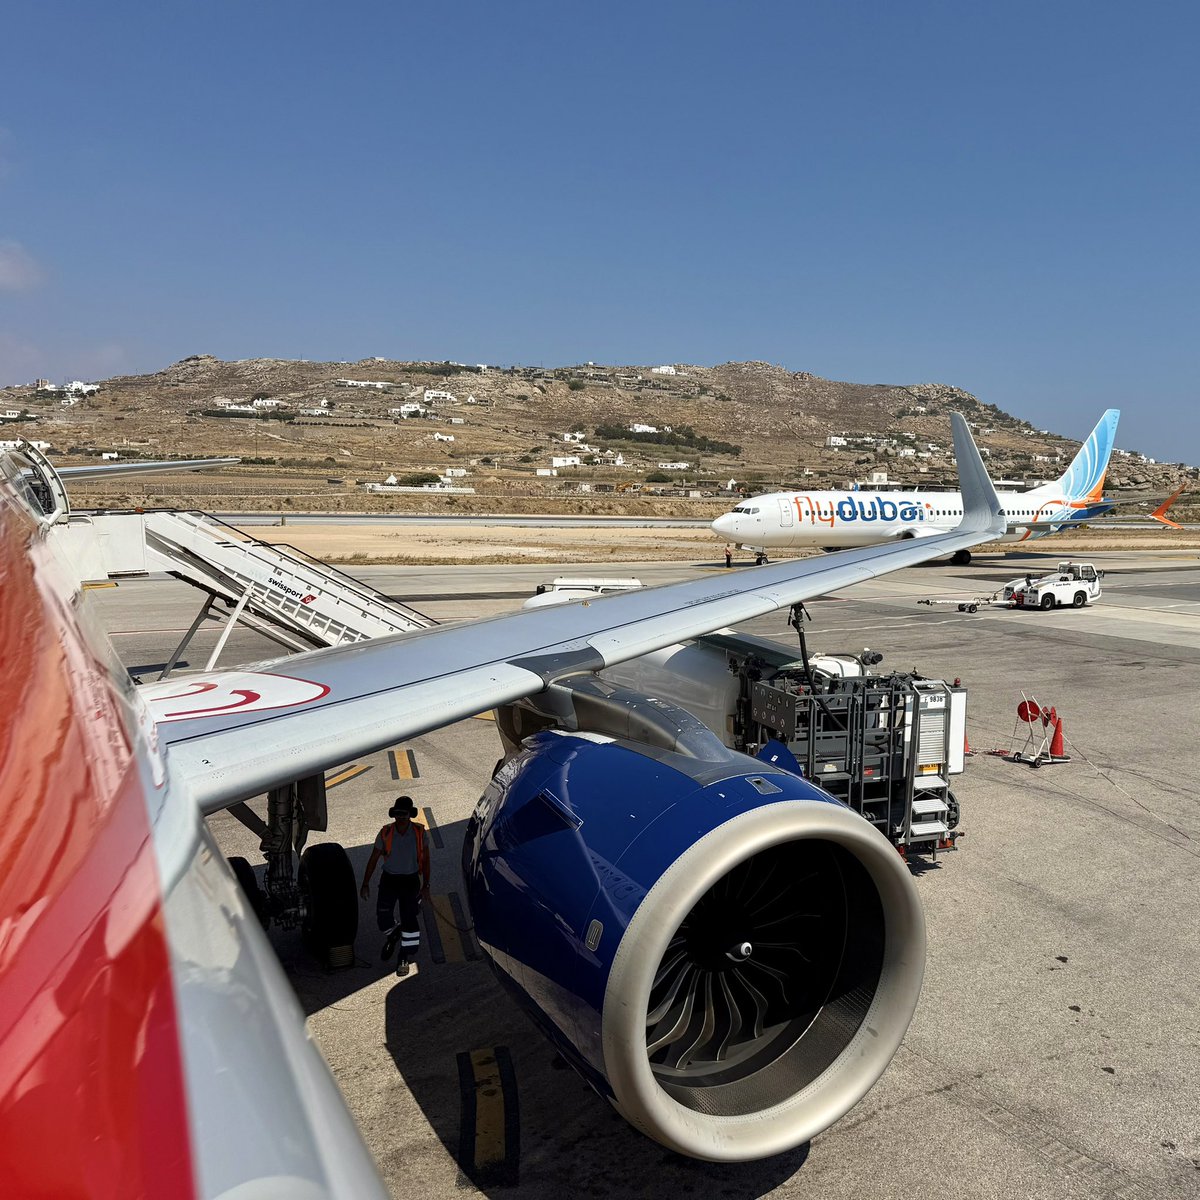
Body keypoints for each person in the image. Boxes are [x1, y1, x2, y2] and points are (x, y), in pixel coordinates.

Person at [360, 797, 430, 976]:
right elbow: (374, 858)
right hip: (389, 880)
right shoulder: (385, 832)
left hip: (410, 881)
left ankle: (404, 957)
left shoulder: (420, 833)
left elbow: (426, 860)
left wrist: (426, 886)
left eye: (404, 814)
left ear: (410, 815)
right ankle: (393, 933)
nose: (400, 818)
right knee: (383, 919)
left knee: (410, 922)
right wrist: (365, 883)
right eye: (397, 814)